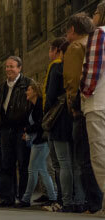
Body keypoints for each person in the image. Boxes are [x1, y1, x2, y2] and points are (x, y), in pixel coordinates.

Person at [64, 12, 99, 213]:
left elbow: (73, 80)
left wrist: (74, 105)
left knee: (85, 159)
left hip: (84, 107)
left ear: (72, 30)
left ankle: (94, 203)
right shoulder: (96, 44)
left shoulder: (76, 47)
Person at [0, 56, 33, 207]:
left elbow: (32, 107)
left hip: (20, 129)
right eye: (7, 67)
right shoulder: (2, 87)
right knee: (6, 164)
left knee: (23, 164)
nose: (8, 69)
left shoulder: (27, 83)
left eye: (12, 66)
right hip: (5, 130)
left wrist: (27, 129)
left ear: (19, 68)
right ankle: (7, 197)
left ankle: (23, 197)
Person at [15, 81, 57, 208]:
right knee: (42, 170)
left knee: (32, 170)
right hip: (36, 141)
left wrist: (28, 130)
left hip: (41, 142)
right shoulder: (33, 106)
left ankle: (26, 199)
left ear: (34, 91)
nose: (26, 92)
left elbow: (40, 124)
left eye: (28, 90)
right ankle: (52, 197)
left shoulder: (39, 105)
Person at [81, 1, 105, 213]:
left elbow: (92, 70)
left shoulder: (99, 33)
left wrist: (84, 91)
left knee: (99, 156)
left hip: (98, 104)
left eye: (96, 12)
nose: (93, 16)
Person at [42, 38, 72, 209]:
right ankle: (65, 199)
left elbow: (50, 94)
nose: (49, 54)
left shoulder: (55, 67)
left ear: (57, 51)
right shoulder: (66, 66)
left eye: (50, 50)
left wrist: (46, 112)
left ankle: (63, 200)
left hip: (56, 120)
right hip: (65, 118)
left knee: (60, 163)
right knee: (65, 162)